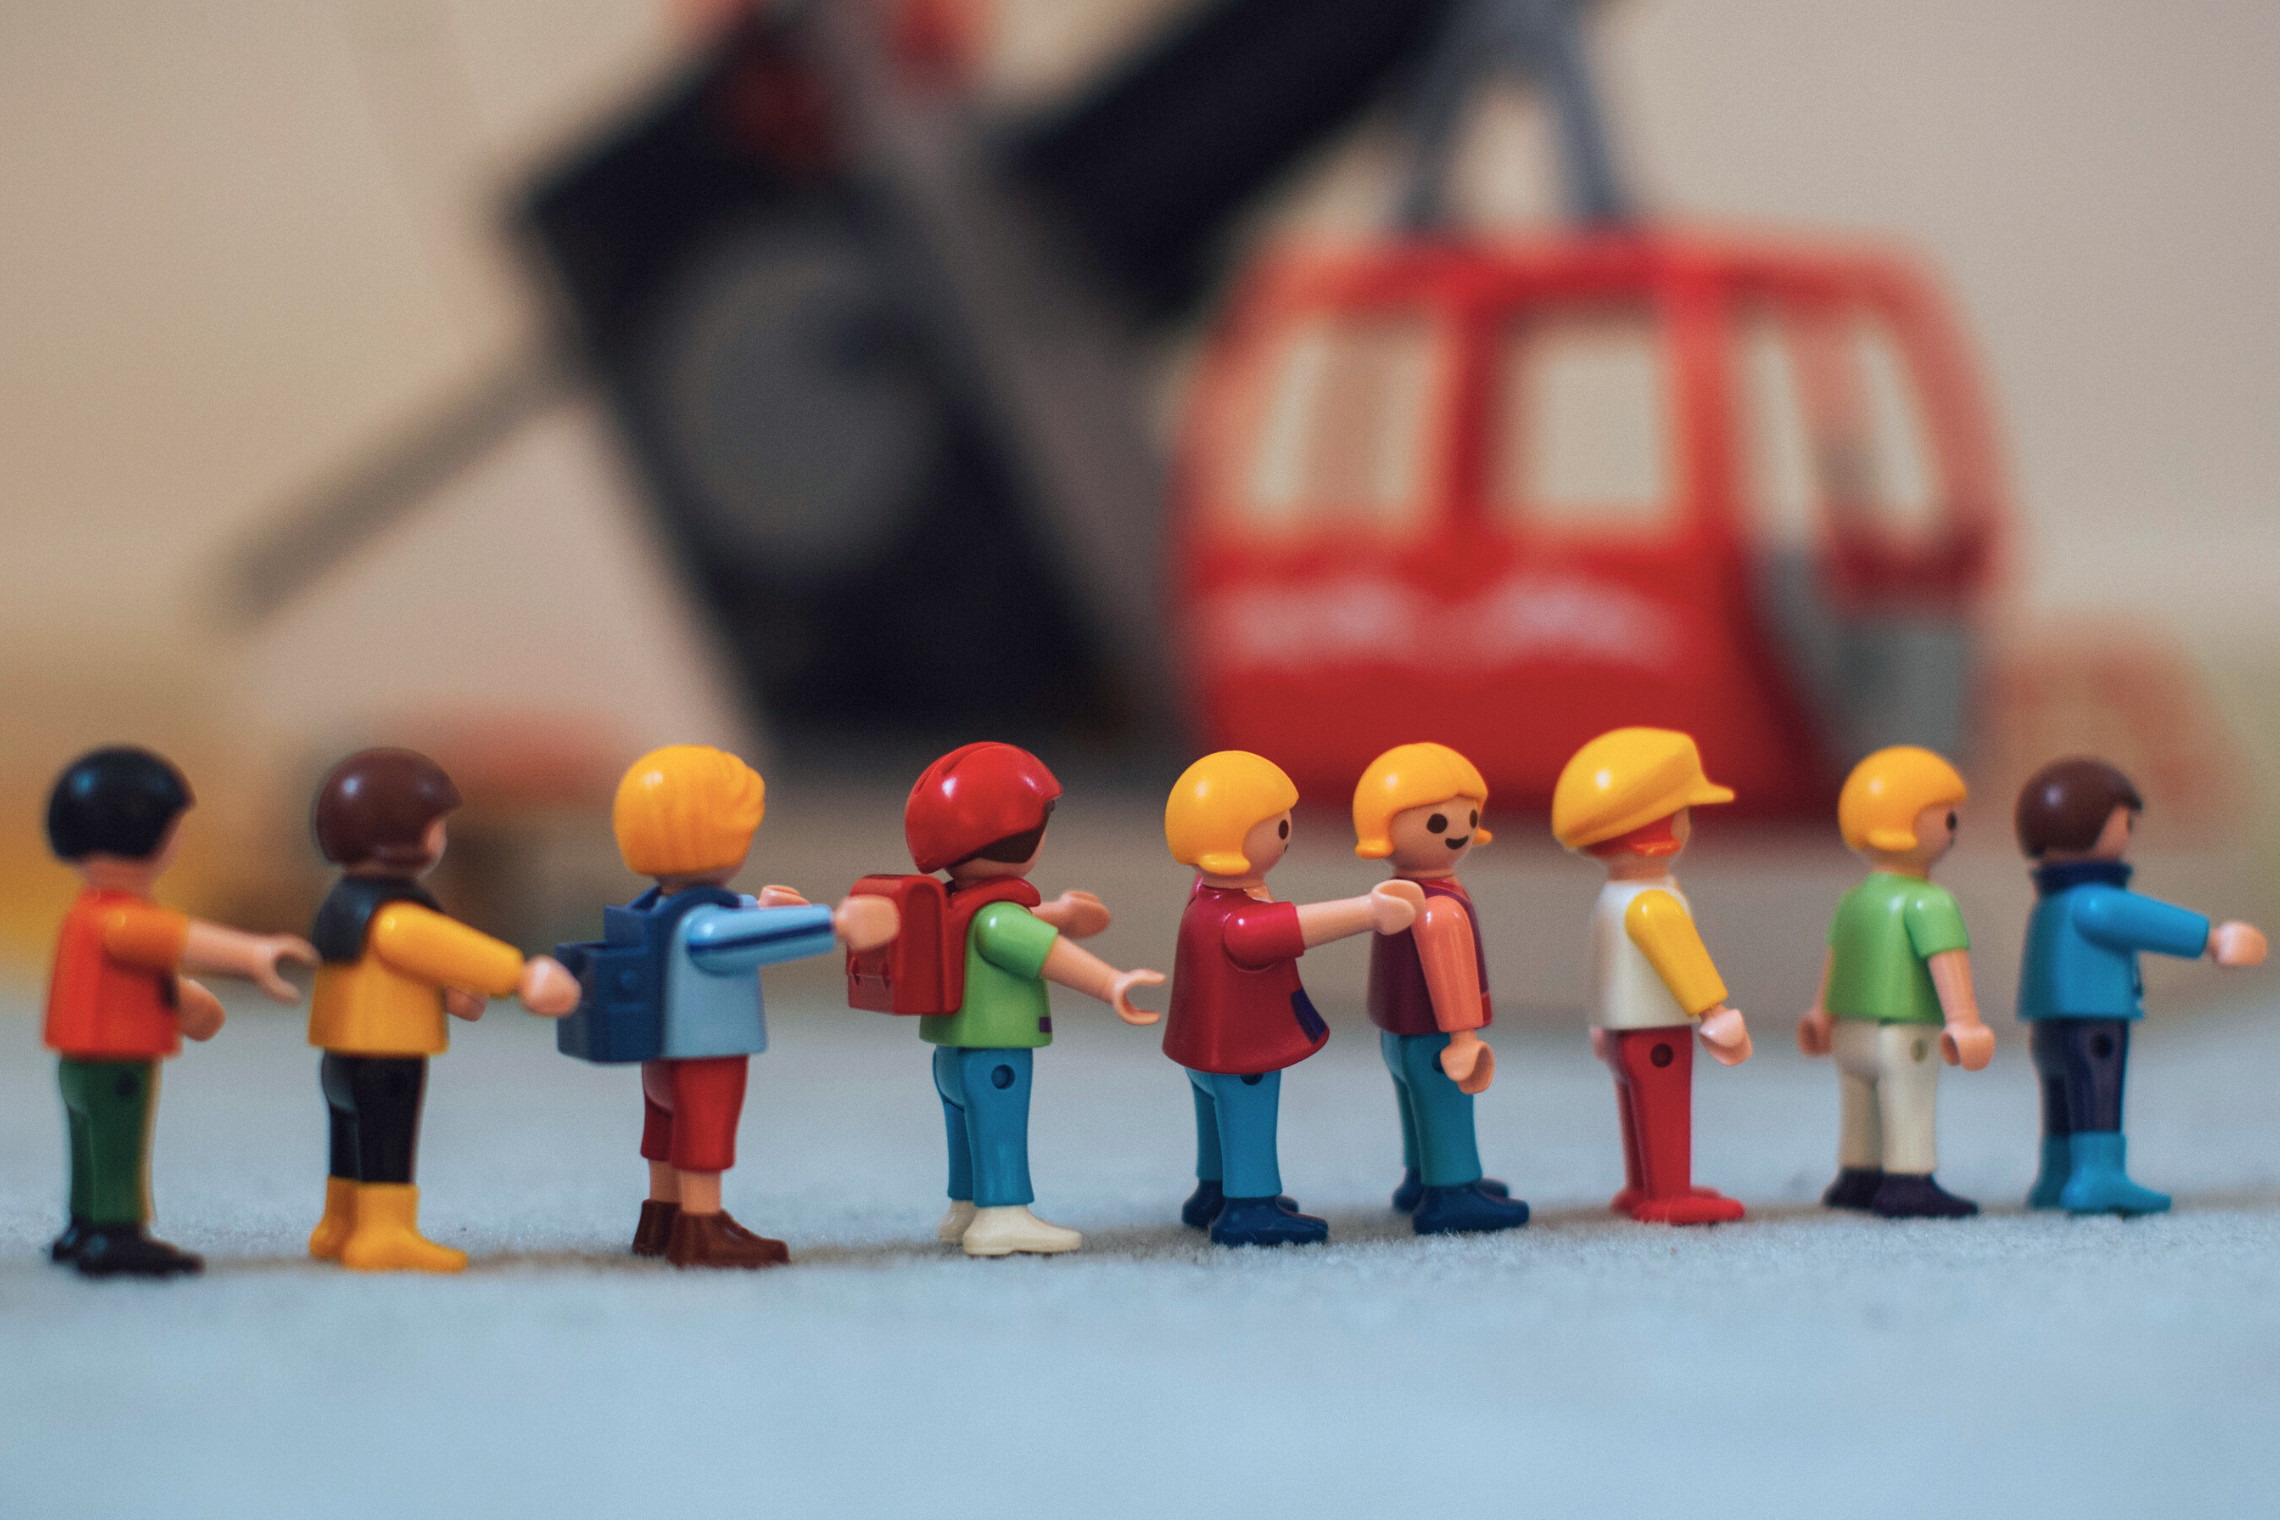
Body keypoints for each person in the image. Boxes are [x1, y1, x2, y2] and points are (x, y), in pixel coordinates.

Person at [594, 745, 898, 1267]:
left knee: (663, 1133)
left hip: (658, 1051)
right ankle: (702, 1227)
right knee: (702, 1136)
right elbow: (723, 938)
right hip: (707, 1050)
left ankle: (660, 1216)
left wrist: (761, 906)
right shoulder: (703, 923)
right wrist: (835, 924)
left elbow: (722, 917)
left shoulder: (653, 905)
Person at [42, 746, 316, 1277]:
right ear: (147, 833)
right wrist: (254, 954)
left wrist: (184, 1002)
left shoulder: (85, 915)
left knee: (87, 1145)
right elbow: (180, 939)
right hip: (118, 1063)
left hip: (78, 1061)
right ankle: (116, 1234)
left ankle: (83, 1225)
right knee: (117, 1147)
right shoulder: (122, 918)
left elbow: (139, 974)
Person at [303, 748, 580, 1272]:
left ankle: (340, 1222)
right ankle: (384, 1232)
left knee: (349, 1138)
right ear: (402, 834)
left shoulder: (341, 902)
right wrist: (519, 975)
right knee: (387, 1141)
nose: (443, 837)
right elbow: (433, 945)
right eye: (437, 825)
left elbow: (383, 973)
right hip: (387, 1055)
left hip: (339, 1054)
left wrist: (449, 996)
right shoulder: (394, 913)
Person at [903, 743, 1163, 1257]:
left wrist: (1062, 913)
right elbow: (1046, 954)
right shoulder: (999, 919)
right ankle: (1002, 1216)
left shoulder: (955, 901)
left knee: (965, 1131)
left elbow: (1009, 921)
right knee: (999, 1127)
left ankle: (965, 1209)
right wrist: (1111, 983)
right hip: (995, 1047)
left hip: (951, 1050)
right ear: (1014, 834)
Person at [1164, 750, 1422, 1247]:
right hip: (1242, 1051)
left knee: (1214, 1121)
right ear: (1232, 843)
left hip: (1203, 1049)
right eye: (1279, 828)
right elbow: (1295, 926)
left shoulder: (1203, 897)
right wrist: (1369, 910)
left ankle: (1213, 1192)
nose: (1288, 837)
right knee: (1249, 1121)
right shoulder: (1239, 921)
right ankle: (1251, 1207)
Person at [2014, 757, 2267, 1215]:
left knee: (2060, 1096)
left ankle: (2057, 1174)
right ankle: (2098, 1176)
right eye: (2125, 823)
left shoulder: (2048, 904)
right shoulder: (2094, 901)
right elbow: (2146, 921)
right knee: (2095, 1093)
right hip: (2094, 1018)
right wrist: (2213, 940)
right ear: (2087, 828)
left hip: (2047, 1022)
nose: (2129, 833)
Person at [1551, 728, 1752, 1225]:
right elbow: (1684, 961)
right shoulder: (1653, 902)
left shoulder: (1613, 897)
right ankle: (1669, 1194)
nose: (1689, 823)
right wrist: (1716, 1013)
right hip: (1660, 1032)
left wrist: (1600, 1024)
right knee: (1665, 1108)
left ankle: (1643, 1185)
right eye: (1685, 812)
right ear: (1657, 828)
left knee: (1635, 1104)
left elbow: (1602, 965)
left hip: (1622, 1031)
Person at [1798, 747, 1994, 1218]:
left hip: (1849, 1030)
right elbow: (1946, 960)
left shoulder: (1855, 900)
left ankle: (1857, 1177)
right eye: (1948, 818)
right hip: (1905, 1032)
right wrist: (1965, 1022)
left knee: (1860, 1106)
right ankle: (1909, 1182)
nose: (1953, 830)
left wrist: (1821, 1014)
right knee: (1909, 1104)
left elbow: (1837, 958)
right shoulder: (1930, 902)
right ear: (1905, 825)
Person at [1351, 742, 1527, 1235]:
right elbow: (1452, 978)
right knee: (1446, 1106)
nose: (1459, 831)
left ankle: (1419, 1179)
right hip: (1437, 1035)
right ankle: (1452, 1192)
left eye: (1468, 816)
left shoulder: (1394, 896)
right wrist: (1464, 1038)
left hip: (1397, 1033)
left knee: (1415, 1105)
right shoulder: (1438, 906)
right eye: (1437, 822)